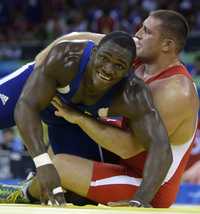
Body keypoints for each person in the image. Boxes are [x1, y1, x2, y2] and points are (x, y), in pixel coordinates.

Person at [1, 9, 196, 208]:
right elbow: (75, 38)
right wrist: (41, 68)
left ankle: (23, 192)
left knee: (59, 167)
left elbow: (130, 148)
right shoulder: (132, 52)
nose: (137, 34)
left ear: (167, 45)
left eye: (146, 31)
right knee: (42, 81)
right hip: (115, 159)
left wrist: (80, 118)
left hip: (147, 183)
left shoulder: (175, 91)